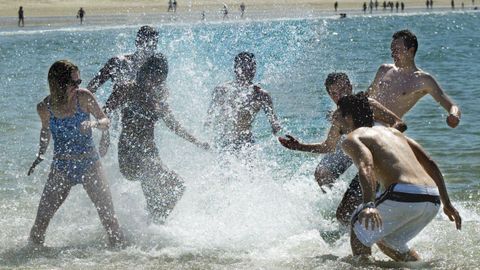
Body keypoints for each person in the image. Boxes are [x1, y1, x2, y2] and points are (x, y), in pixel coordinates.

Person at [337, 94, 461, 262]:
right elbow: (430, 163)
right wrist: (447, 203)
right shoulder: (394, 133)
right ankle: (419, 266)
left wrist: (369, 204)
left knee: (359, 228)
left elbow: (367, 166)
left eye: (338, 114)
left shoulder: (354, 137)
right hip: (432, 199)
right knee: (388, 240)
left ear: (349, 117)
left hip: (404, 195)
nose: (335, 118)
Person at [278, 73, 405, 225]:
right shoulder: (339, 117)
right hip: (359, 152)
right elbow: (328, 146)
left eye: (343, 89)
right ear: (329, 95)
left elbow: (399, 123)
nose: (339, 95)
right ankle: (351, 206)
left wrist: (379, 139)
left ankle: (368, 212)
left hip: (378, 159)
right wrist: (299, 146)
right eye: (334, 93)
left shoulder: (367, 104)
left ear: (350, 87)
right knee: (322, 173)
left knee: (343, 214)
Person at [101, 55, 209, 223]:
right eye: (151, 75)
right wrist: (105, 137)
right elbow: (104, 112)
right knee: (177, 185)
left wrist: (197, 142)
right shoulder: (126, 89)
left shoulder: (159, 98)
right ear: (143, 72)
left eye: (158, 77)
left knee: (156, 202)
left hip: (151, 154)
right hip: (130, 153)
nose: (153, 81)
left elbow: (174, 126)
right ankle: (153, 223)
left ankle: (151, 229)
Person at [27, 60, 124, 247]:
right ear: (59, 84)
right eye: (75, 82)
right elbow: (45, 130)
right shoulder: (44, 107)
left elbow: (105, 120)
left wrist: (95, 124)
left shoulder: (83, 98)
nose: (79, 86)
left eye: (79, 81)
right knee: (39, 226)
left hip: (90, 165)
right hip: (61, 168)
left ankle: (124, 260)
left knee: (110, 222)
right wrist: (40, 154)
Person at [367, 30, 461, 128]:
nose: (393, 54)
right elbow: (367, 97)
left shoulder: (423, 80)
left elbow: (452, 106)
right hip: (364, 121)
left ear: (411, 51)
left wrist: (454, 116)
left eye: (397, 50)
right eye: (392, 50)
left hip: (385, 127)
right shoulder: (384, 70)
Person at [205, 52, 282, 153]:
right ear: (236, 68)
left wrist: (281, 142)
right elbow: (209, 120)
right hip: (222, 141)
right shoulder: (221, 90)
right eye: (245, 66)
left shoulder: (261, 95)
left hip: (246, 143)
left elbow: (274, 125)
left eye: (252, 67)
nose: (249, 70)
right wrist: (206, 141)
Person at [87, 25, 159, 94]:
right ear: (137, 42)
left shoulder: (155, 68)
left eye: (152, 45)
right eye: (144, 42)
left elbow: (162, 97)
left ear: (155, 46)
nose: (148, 48)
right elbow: (90, 89)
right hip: (117, 105)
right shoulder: (117, 62)